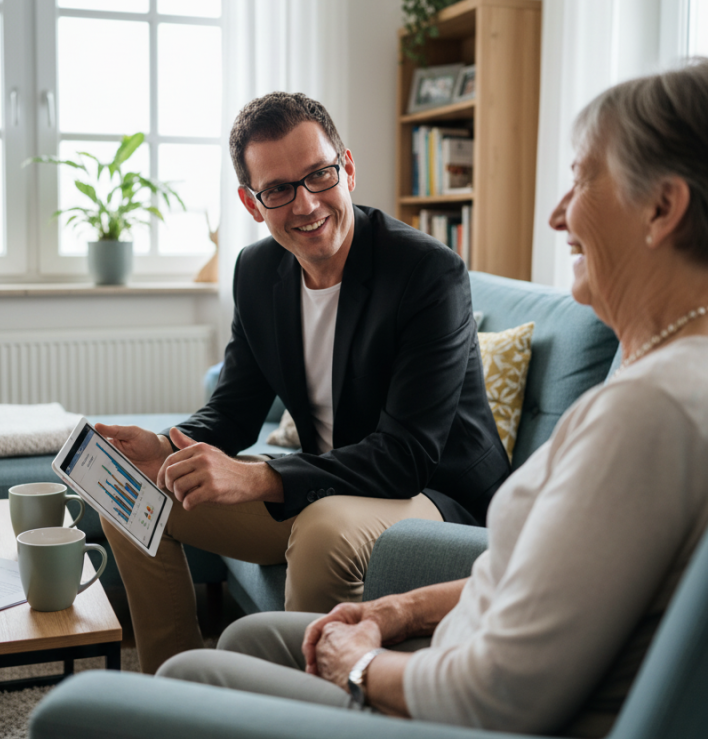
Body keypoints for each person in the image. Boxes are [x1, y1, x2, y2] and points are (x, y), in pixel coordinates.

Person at [154, 62, 708, 738]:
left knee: (197, 677)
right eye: (278, 189)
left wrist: (357, 666)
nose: (558, 212)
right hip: (424, 599)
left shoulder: (649, 411)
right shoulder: (659, 387)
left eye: (583, 177)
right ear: (253, 201)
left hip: (423, 509)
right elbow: (556, 585)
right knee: (228, 614)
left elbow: (499, 693)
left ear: (663, 207)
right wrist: (401, 611)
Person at [96, 92, 510, 674]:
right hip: (329, 484)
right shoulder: (258, 271)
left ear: (347, 166)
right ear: (251, 201)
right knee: (130, 491)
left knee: (321, 530)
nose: (307, 203)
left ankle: (300, 711)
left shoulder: (426, 273)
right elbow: (236, 408)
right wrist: (165, 446)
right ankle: (180, 691)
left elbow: (407, 455)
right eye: (279, 189)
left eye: (320, 175)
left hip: (438, 499)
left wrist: (261, 476)